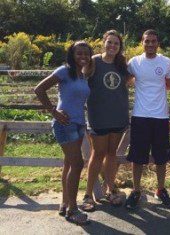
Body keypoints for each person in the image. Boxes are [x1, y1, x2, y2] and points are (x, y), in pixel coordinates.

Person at [34, 41, 92, 225]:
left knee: (69, 163)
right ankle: (73, 210)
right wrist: (53, 111)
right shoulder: (64, 71)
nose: (83, 57)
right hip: (64, 124)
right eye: (79, 54)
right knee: (77, 163)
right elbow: (39, 89)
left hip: (78, 124)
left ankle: (65, 203)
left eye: (86, 54)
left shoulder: (82, 75)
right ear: (72, 55)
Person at [125, 29, 170, 209]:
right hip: (140, 116)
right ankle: (136, 190)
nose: (150, 44)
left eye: (154, 41)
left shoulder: (166, 62)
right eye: (147, 41)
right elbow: (124, 80)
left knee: (161, 158)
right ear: (142, 42)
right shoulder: (134, 62)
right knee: (137, 158)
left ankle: (161, 190)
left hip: (161, 117)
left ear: (158, 43)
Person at [82, 30, 129, 211]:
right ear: (104, 43)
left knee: (112, 154)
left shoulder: (121, 63)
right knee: (97, 154)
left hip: (118, 116)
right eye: (109, 42)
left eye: (116, 44)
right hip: (98, 117)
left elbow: (130, 81)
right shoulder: (94, 61)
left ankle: (110, 188)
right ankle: (88, 194)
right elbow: (80, 79)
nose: (112, 46)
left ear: (119, 47)